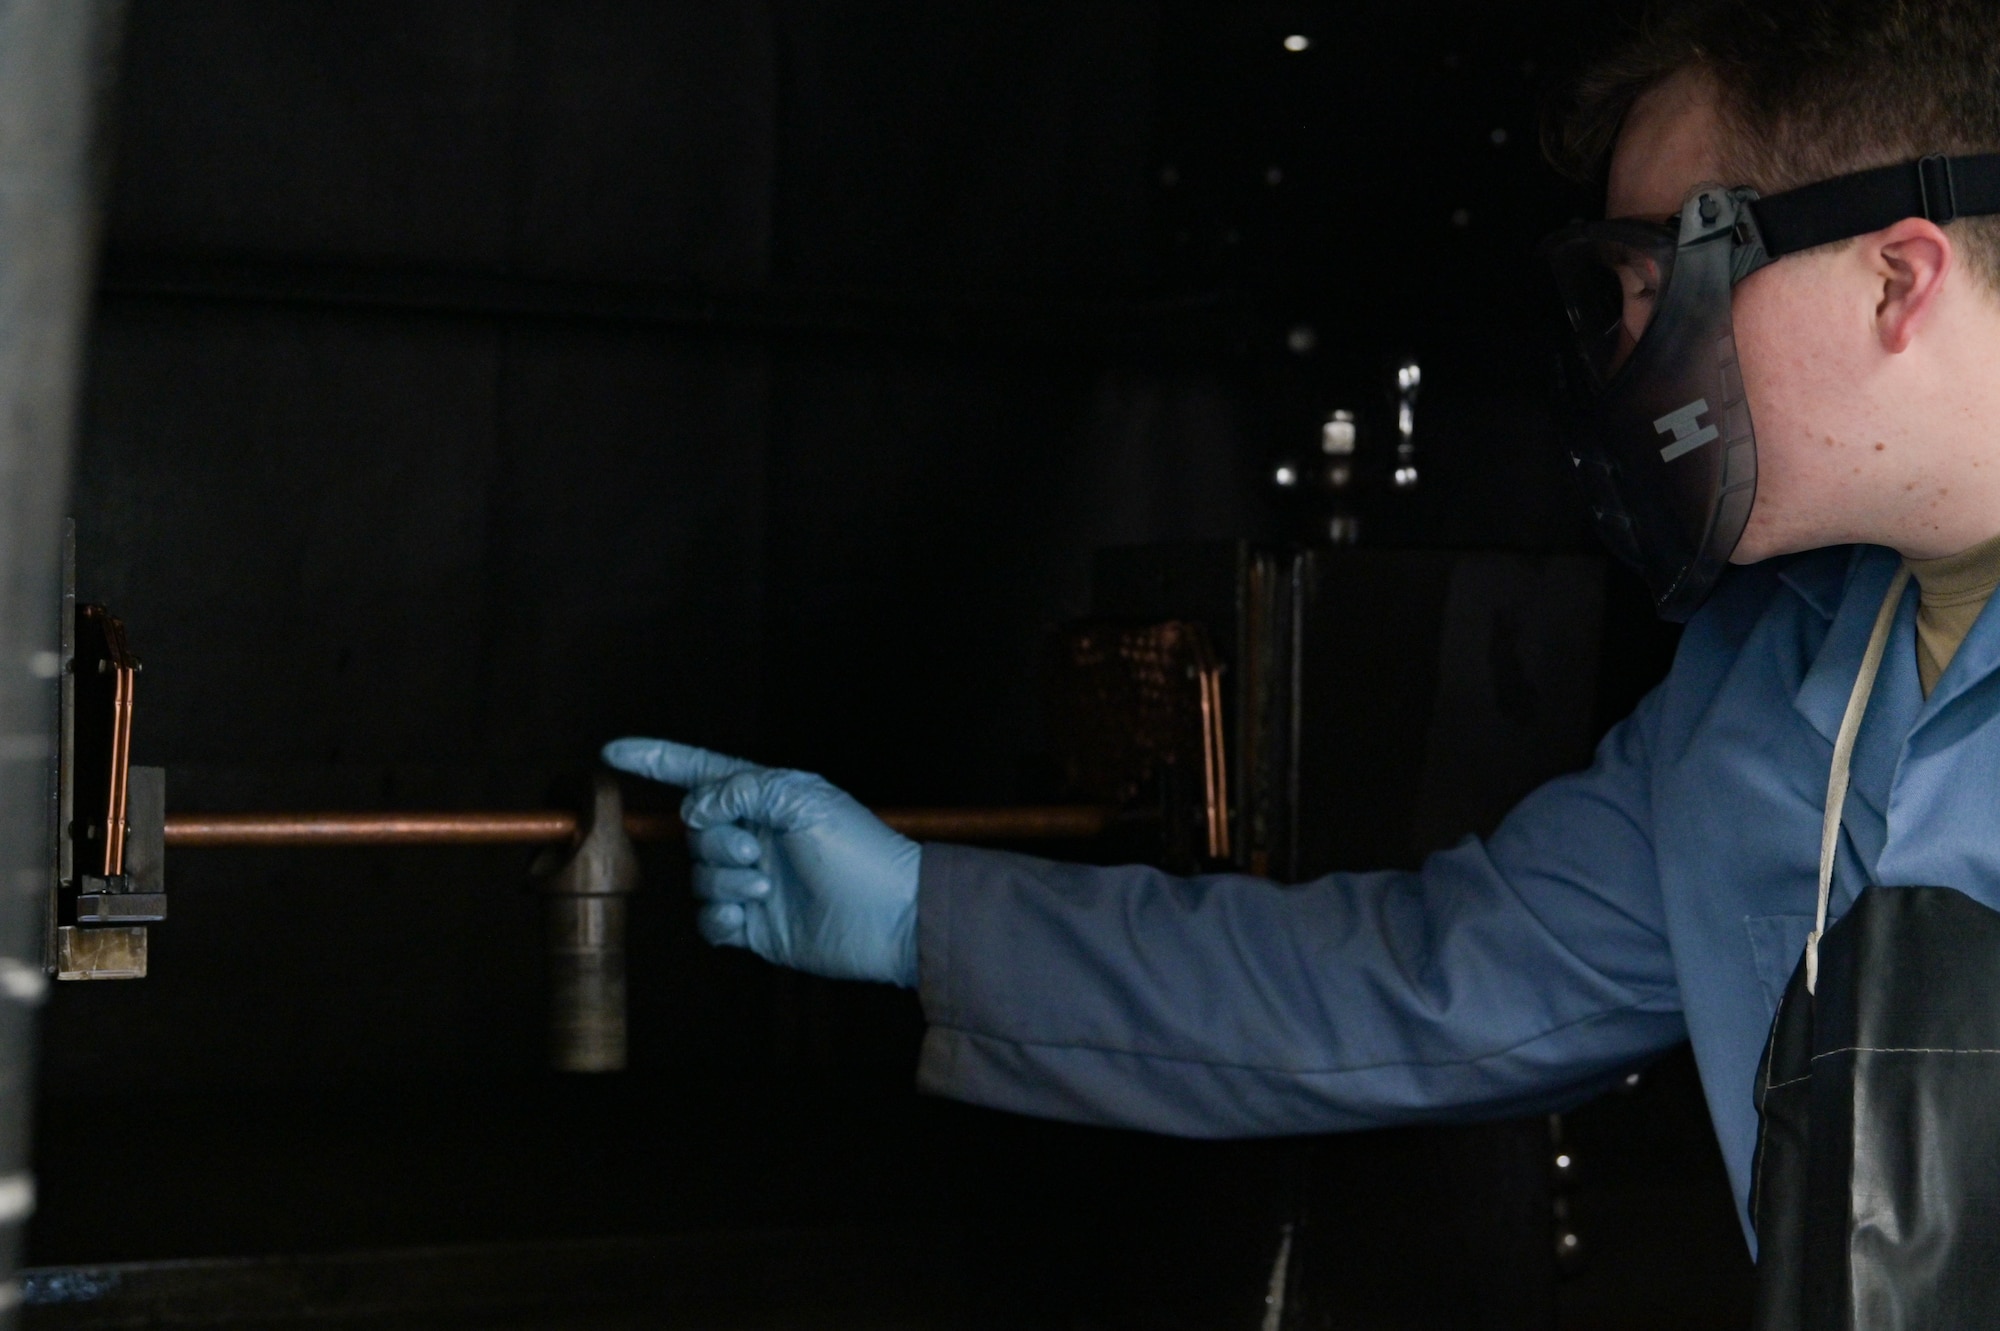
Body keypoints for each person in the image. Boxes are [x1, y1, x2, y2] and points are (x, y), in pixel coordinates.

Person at [604, 0, 2000, 1247]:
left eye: (1657, 285)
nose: (1630, 358)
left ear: (1896, 278)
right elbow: (1422, 987)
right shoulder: (1756, 701)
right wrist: (926, 917)